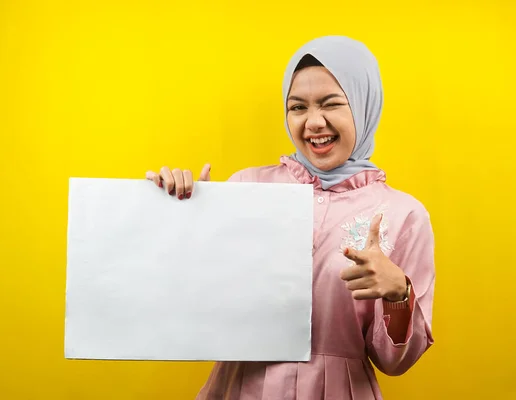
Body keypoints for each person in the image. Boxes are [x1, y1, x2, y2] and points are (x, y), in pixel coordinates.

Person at [146, 35, 435, 400]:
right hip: (242, 389)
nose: (314, 122)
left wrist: (398, 292)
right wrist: (175, 217)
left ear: (364, 105)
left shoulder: (404, 214)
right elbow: (196, 301)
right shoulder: (247, 187)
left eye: (331, 104)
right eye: (298, 107)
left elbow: (395, 362)